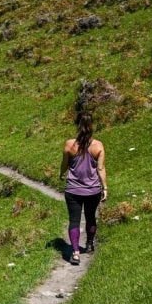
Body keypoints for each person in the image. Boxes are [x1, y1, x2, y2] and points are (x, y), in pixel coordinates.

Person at [60, 112, 107, 265]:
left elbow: (65, 164)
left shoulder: (69, 145)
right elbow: (100, 169)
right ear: (92, 126)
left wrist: (61, 173)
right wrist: (105, 188)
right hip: (93, 190)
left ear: (78, 125)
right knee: (90, 217)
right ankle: (89, 244)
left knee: (74, 220)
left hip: (73, 190)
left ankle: (75, 253)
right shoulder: (98, 146)